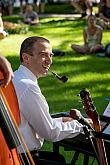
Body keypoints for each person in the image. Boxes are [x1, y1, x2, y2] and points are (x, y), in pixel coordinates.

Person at [12, 36, 92, 164]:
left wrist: (62, 120)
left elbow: (34, 120)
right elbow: (50, 133)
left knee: (58, 159)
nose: (49, 61)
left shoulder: (16, 78)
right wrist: (83, 125)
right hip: (21, 159)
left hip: (17, 154)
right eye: (43, 55)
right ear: (26, 57)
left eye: (51, 55)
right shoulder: (28, 86)